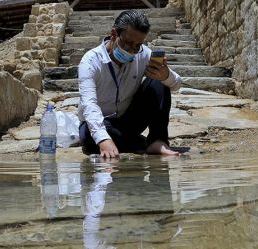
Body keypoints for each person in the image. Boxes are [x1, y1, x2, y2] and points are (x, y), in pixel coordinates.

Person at [78, 10, 183, 158]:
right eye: (127, 44)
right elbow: (89, 104)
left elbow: (176, 84)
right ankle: (135, 142)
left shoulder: (142, 54)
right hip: (100, 122)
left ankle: (157, 141)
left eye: (137, 46)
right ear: (114, 34)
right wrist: (103, 139)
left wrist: (165, 75)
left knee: (158, 82)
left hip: (128, 121)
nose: (132, 51)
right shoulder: (90, 62)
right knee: (90, 136)